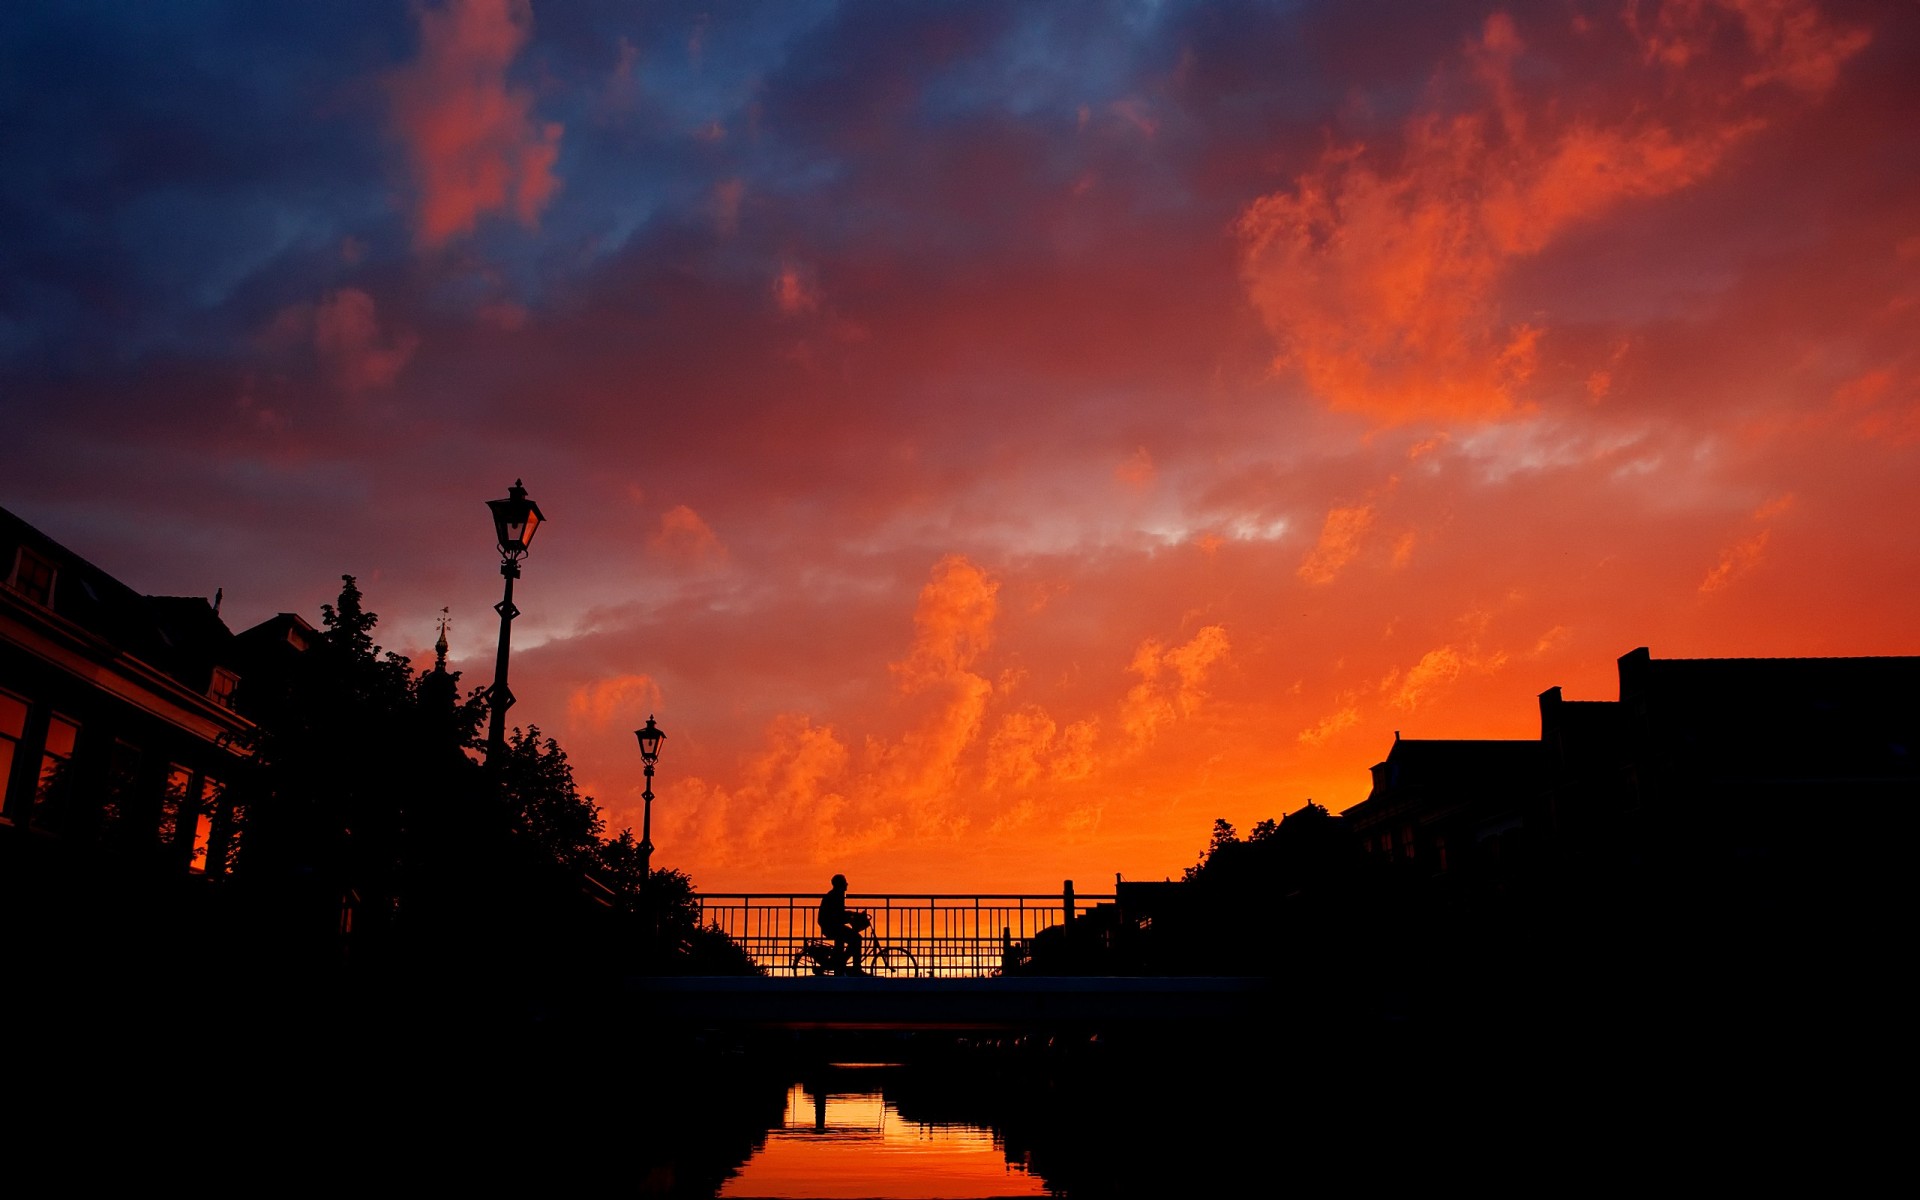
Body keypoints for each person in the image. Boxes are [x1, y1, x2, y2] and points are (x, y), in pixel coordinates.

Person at [817, 873, 864, 974]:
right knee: (857, 939)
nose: (847, 884)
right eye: (845, 882)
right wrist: (851, 916)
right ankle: (854, 967)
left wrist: (851, 915)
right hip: (832, 927)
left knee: (847, 940)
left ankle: (840, 964)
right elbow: (838, 915)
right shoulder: (836, 896)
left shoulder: (834, 894)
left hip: (831, 926)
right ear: (840, 885)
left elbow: (839, 914)